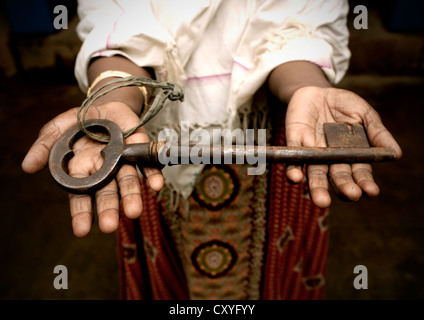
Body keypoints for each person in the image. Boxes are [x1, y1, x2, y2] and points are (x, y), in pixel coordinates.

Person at [22, 0, 401, 300]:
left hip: (285, 127)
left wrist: (308, 87)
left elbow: (304, 19)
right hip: (150, 143)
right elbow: (116, 18)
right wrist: (114, 96)